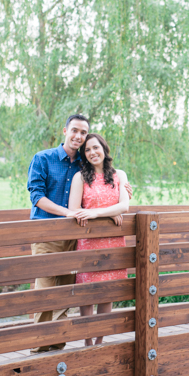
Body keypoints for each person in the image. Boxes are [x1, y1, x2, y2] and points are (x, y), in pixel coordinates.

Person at [26, 114, 131, 352]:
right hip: (47, 233)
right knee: (45, 288)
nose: (79, 136)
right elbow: (37, 197)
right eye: (75, 131)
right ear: (65, 130)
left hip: (75, 236)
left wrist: (116, 200)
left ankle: (56, 343)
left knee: (65, 288)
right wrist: (70, 213)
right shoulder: (44, 158)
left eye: (83, 133)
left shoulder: (82, 165)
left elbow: (102, 192)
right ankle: (39, 344)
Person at [68, 133, 130, 346]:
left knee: (107, 292)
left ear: (104, 148)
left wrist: (95, 212)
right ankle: (87, 342)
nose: (92, 152)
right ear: (84, 155)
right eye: (87, 150)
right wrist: (108, 213)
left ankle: (99, 341)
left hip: (113, 242)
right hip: (88, 242)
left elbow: (124, 206)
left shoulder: (119, 175)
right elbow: (75, 210)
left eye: (96, 148)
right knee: (87, 293)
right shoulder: (80, 177)